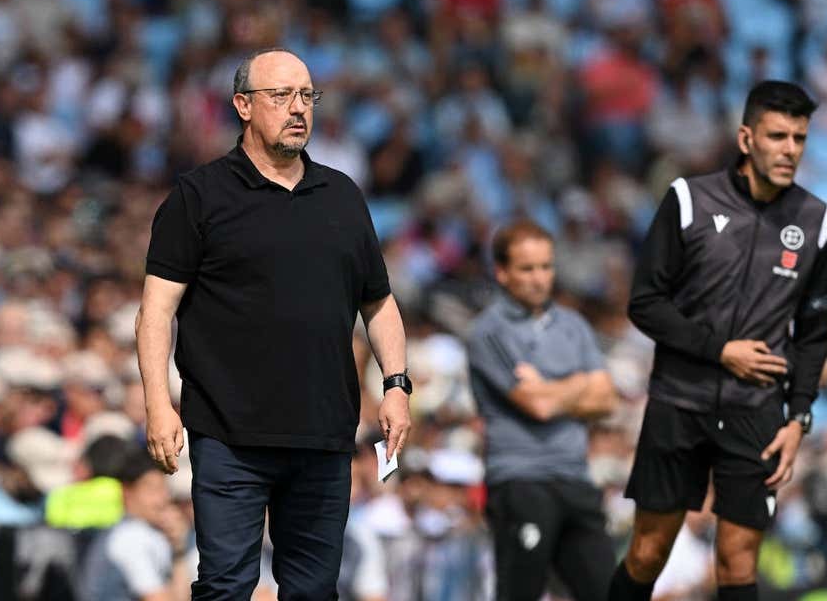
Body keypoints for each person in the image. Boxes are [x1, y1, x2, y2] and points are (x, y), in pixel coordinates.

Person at [137, 47, 411, 599]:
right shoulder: (199, 196)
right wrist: (158, 404)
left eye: (307, 95)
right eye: (280, 95)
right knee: (225, 587)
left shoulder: (342, 195)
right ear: (242, 105)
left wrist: (397, 386)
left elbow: (379, 304)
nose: (298, 108)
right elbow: (155, 311)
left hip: (325, 434)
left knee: (313, 591)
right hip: (227, 434)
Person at [608, 80, 827, 601]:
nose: (790, 150)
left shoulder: (818, 222)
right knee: (647, 553)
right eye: (777, 136)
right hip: (678, 400)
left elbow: (816, 332)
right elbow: (644, 303)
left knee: (738, 564)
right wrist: (720, 349)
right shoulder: (688, 200)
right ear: (745, 138)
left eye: (799, 139)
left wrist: (799, 418)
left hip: (755, 412)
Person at [466, 220, 618, 601]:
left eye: (546, 267)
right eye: (527, 268)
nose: (539, 279)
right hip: (520, 479)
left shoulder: (574, 325)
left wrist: (550, 387)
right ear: (502, 273)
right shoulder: (489, 331)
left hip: (575, 477)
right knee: (520, 593)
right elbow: (537, 405)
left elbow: (607, 399)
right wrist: (581, 382)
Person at [76, 451, 181, 601]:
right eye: (152, 489)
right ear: (127, 492)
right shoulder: (130, 536)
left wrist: (178, 550)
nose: (163, 499)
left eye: (164, 488)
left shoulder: (147, 532)